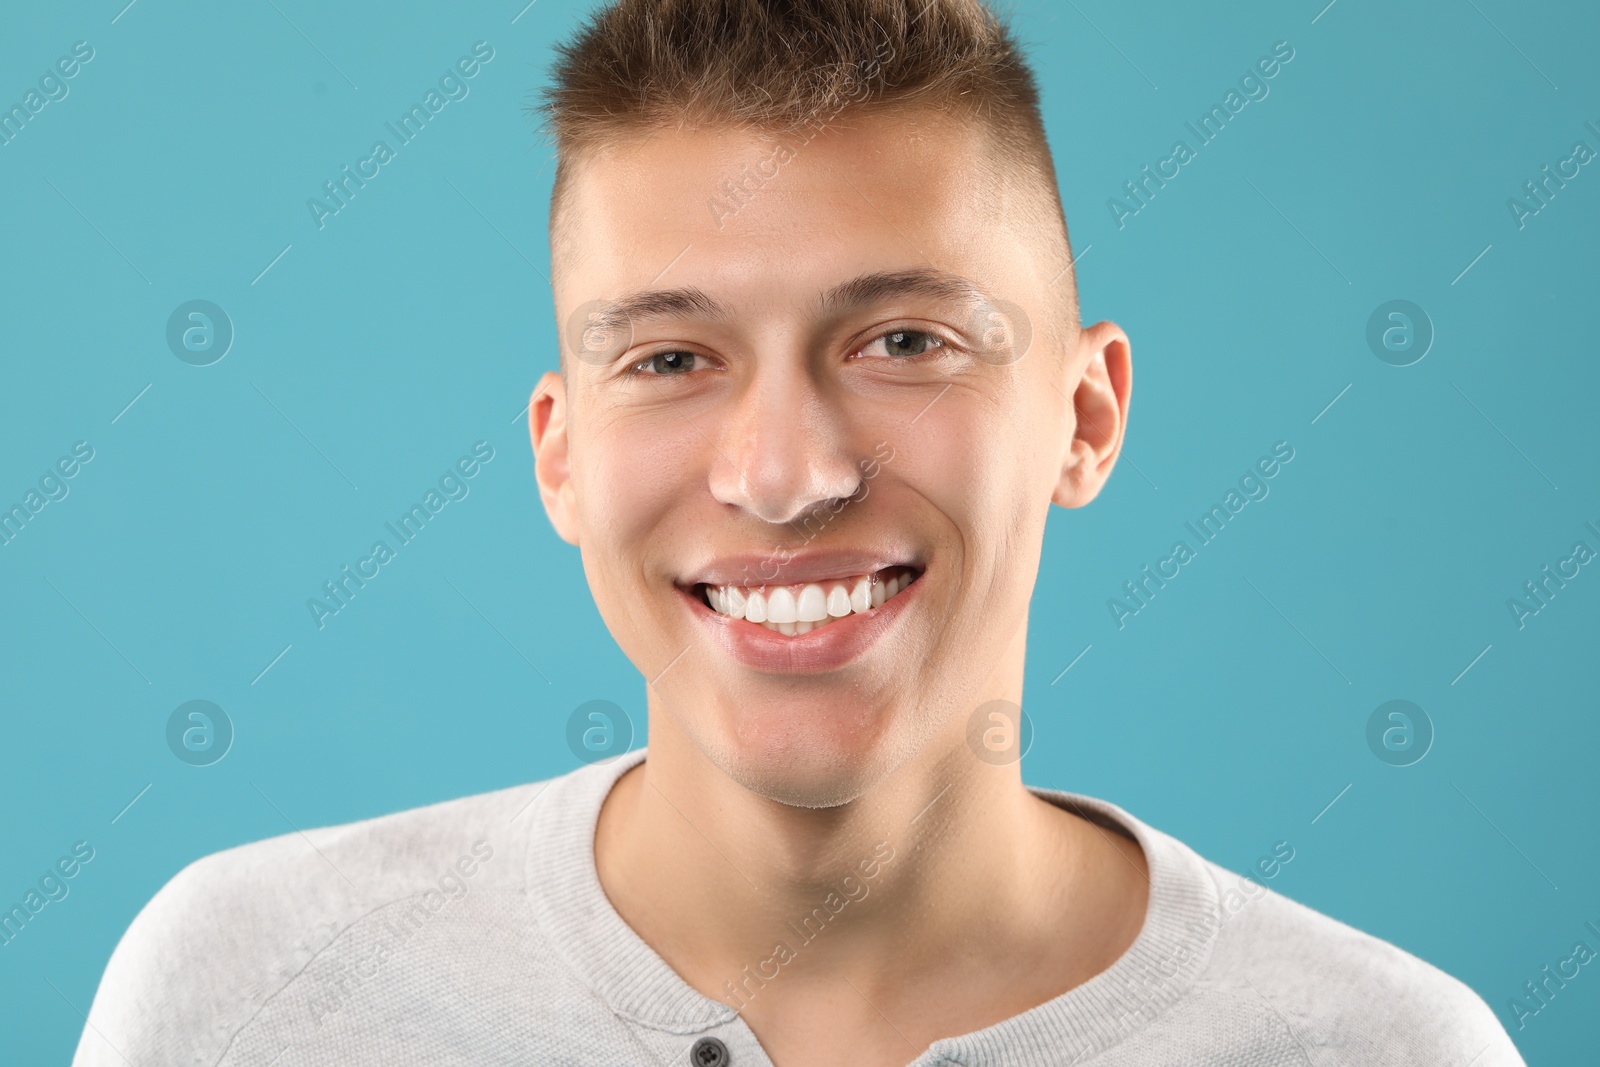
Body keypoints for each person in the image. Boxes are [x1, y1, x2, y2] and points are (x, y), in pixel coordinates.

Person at [73, 1, 1525, 1064]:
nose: (784, 475)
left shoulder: (1384, 1050)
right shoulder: (248, 996)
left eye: (903, 339)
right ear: (561, 457)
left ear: (1083, 417)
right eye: (670, 358)